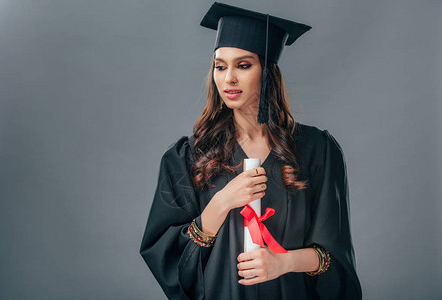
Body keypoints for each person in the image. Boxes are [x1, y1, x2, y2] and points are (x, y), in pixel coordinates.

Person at [140, 2, 362, 299]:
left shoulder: (316, 149)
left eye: (243, 65)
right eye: (220, 66)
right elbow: (166, 255)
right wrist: (220, 204)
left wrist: (285, 262)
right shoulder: (190, 155)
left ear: (267, 72)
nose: (229, 78)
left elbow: (335, 256)